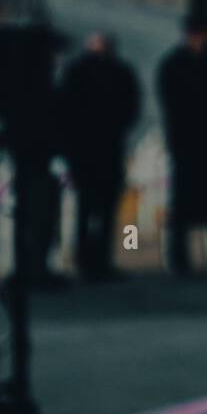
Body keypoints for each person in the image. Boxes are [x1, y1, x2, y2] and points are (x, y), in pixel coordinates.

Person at [156, 15, 207, 275]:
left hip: (202, 141)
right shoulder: (182, 65)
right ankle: (183, 257)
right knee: (188, 201)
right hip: (191, 142)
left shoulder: (201, 64)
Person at [57, 32, 140, 281]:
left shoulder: (85, 73)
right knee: (93, 207)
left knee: (97, 207)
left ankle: (94, 259)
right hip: (96, 150)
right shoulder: (92, 74)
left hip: (97, 150)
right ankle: (90, 259)